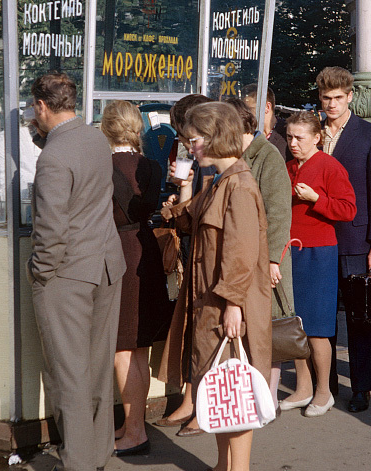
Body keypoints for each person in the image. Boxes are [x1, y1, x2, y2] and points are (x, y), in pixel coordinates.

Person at [158, 101, 271, 471]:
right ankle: (224, 466)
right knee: (222, 393)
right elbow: (187, 222)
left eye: (194, 140)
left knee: (235, 394)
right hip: (214, 301)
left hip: (227, 304)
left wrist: (234, 305)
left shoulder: (238, 184)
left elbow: (241, 253)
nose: (190, 147)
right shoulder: (222, 181)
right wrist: (187, 185)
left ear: (213, 138)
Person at [27, 73, 126, 471]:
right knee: (97, 369)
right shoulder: (93, 138)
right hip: (105, 265)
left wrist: (40, 273)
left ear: (41, 106)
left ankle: (79, 463)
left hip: (67, 275)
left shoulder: (53, 157)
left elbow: (50, 230)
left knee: (70, 377)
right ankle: (98, 455)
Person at [99, 101, 172, 457]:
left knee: (122, 350)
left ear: (106, 127)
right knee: (138, 347)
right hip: (145, 249)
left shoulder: (102, 166)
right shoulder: (152, 166)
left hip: (118, 252)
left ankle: (135, 433)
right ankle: (133, 425)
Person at [315, 66, 371, 413]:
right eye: (326, 98)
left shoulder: (370, 134)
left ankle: (361, 387)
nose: (332, 104)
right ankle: (324, 387)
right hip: (317, 235)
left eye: (338, 98)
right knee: (322, 316)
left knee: (359, 317)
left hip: (356, 238)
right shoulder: (311, 132)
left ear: (350, 96)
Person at [278, 110, 356, 417]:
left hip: (319, 252)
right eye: (289, 137)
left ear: (316, 138)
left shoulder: (329, 165)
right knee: (296, 326)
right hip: (291, 251)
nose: (293, 143)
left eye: (300, 137)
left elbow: (348, 209)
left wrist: (316, 199)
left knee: (318, 329)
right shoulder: (287, 167)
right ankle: (303, 387)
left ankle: (324, 392)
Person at [154, 93, 212, 437]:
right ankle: (191, 399)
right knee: (190, 323)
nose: (181, 141)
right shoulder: (187, 152)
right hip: (191, 244)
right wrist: (180, 194)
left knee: (203, 326)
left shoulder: (216, 159)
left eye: (185, 135)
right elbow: (188, 211)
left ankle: (201, 404)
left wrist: (188, 192)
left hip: (207, 249)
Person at [227, 97, 293, 402]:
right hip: (249, 254)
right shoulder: (237, 155)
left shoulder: (266, 155)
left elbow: (278, 211)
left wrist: (271, 260)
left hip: (269, 256)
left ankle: (268, 396)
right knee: (254, 323)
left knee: (270, 324)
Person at [243, 84, 288, 161]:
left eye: (249, 109)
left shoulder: (287, 134)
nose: (245, 114)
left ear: (267, 107)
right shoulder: (246, 134)